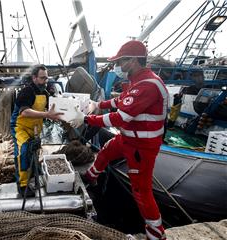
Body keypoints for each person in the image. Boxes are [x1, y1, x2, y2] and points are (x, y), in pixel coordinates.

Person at [69, 40, 168, 240]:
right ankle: (91, 177)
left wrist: (86, 118)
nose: (118, 66)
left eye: (121, 61)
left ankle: (157, 235)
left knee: (141, 191)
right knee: (106, 150)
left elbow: (121, 116)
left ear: (133, 60)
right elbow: (120, 100)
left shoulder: (148, 85)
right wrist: (98, 103)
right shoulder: (137, 81)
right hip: (128, 138)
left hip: (142, 147)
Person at [10, 64, 63, 196]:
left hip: (34, 128)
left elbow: (49, 110)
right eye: (42, 78)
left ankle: (33, 171)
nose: (46, 81)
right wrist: (47, 115)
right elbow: (25, 112)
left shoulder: (44, 93)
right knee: (23, 152)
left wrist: (61, 117)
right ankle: (22, 186)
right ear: (34, 78)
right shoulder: (27, 91)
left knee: (34, 150)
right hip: (20, 128)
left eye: (47, 78)